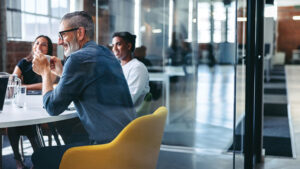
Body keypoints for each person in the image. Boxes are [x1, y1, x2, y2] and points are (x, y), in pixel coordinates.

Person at [31, 11, 135, 169]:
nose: (59, 41)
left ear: (79, 33)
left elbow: (52, 107)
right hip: (127, 143)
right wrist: (62, 72)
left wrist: (45, 72)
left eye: (62, 34)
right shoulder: (105, 52)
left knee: (40, 156)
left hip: (107, 149)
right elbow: (89, 83)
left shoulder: (77, 58)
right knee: (71, 133)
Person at [8, 35, 56, 169]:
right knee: (13, 123)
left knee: (28, 122)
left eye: (44, 44)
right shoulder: (24, 62)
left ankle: (37, 159)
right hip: (25, 103)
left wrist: (24, 86)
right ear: (33, 46)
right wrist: (19, 84)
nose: (39, 46)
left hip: (43, 103)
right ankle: (19, 161)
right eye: (37, 43)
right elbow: (13, 82)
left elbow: (47, 85)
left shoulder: (51, 63)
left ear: (49, 49)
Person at [112, 32, 150, 109]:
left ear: (129, 46)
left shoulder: (137, 68)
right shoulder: (118, 67)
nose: (114, 49)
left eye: (118, 44)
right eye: (113, 45)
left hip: (127, 114)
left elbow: (128, 100)